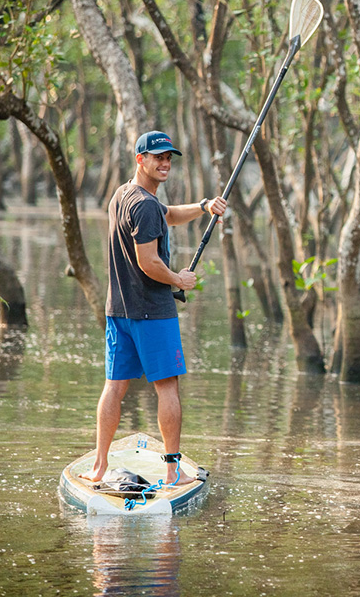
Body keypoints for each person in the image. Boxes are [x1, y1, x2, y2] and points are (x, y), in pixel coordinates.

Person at [82, 130, 227, 486]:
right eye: (157, 157)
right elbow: (148, 262)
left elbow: (169, 215)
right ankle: (173, 469)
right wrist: (179, 279)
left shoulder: (124, 195)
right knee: (167, 387)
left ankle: (99, 466)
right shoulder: (144, 205)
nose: (164, 164)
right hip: (152, 312)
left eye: (168, 158)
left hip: (119, 311)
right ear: (140, 159)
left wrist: (204, 206)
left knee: (114, 386)